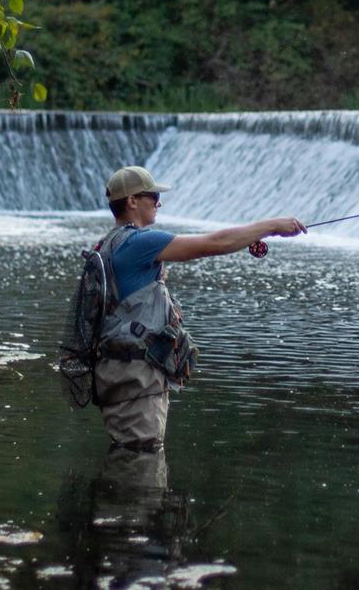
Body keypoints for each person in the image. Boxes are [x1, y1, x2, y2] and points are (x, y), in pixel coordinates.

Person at [91, 165, 305, 452]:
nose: (158, 203)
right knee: (141, 460)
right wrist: (272, 225)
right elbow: (213, 244)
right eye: (153, 196)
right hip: (136, 377)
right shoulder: (140, 242)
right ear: (132, 201)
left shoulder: (105, 244)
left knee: (128, 458)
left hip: (115, 371)